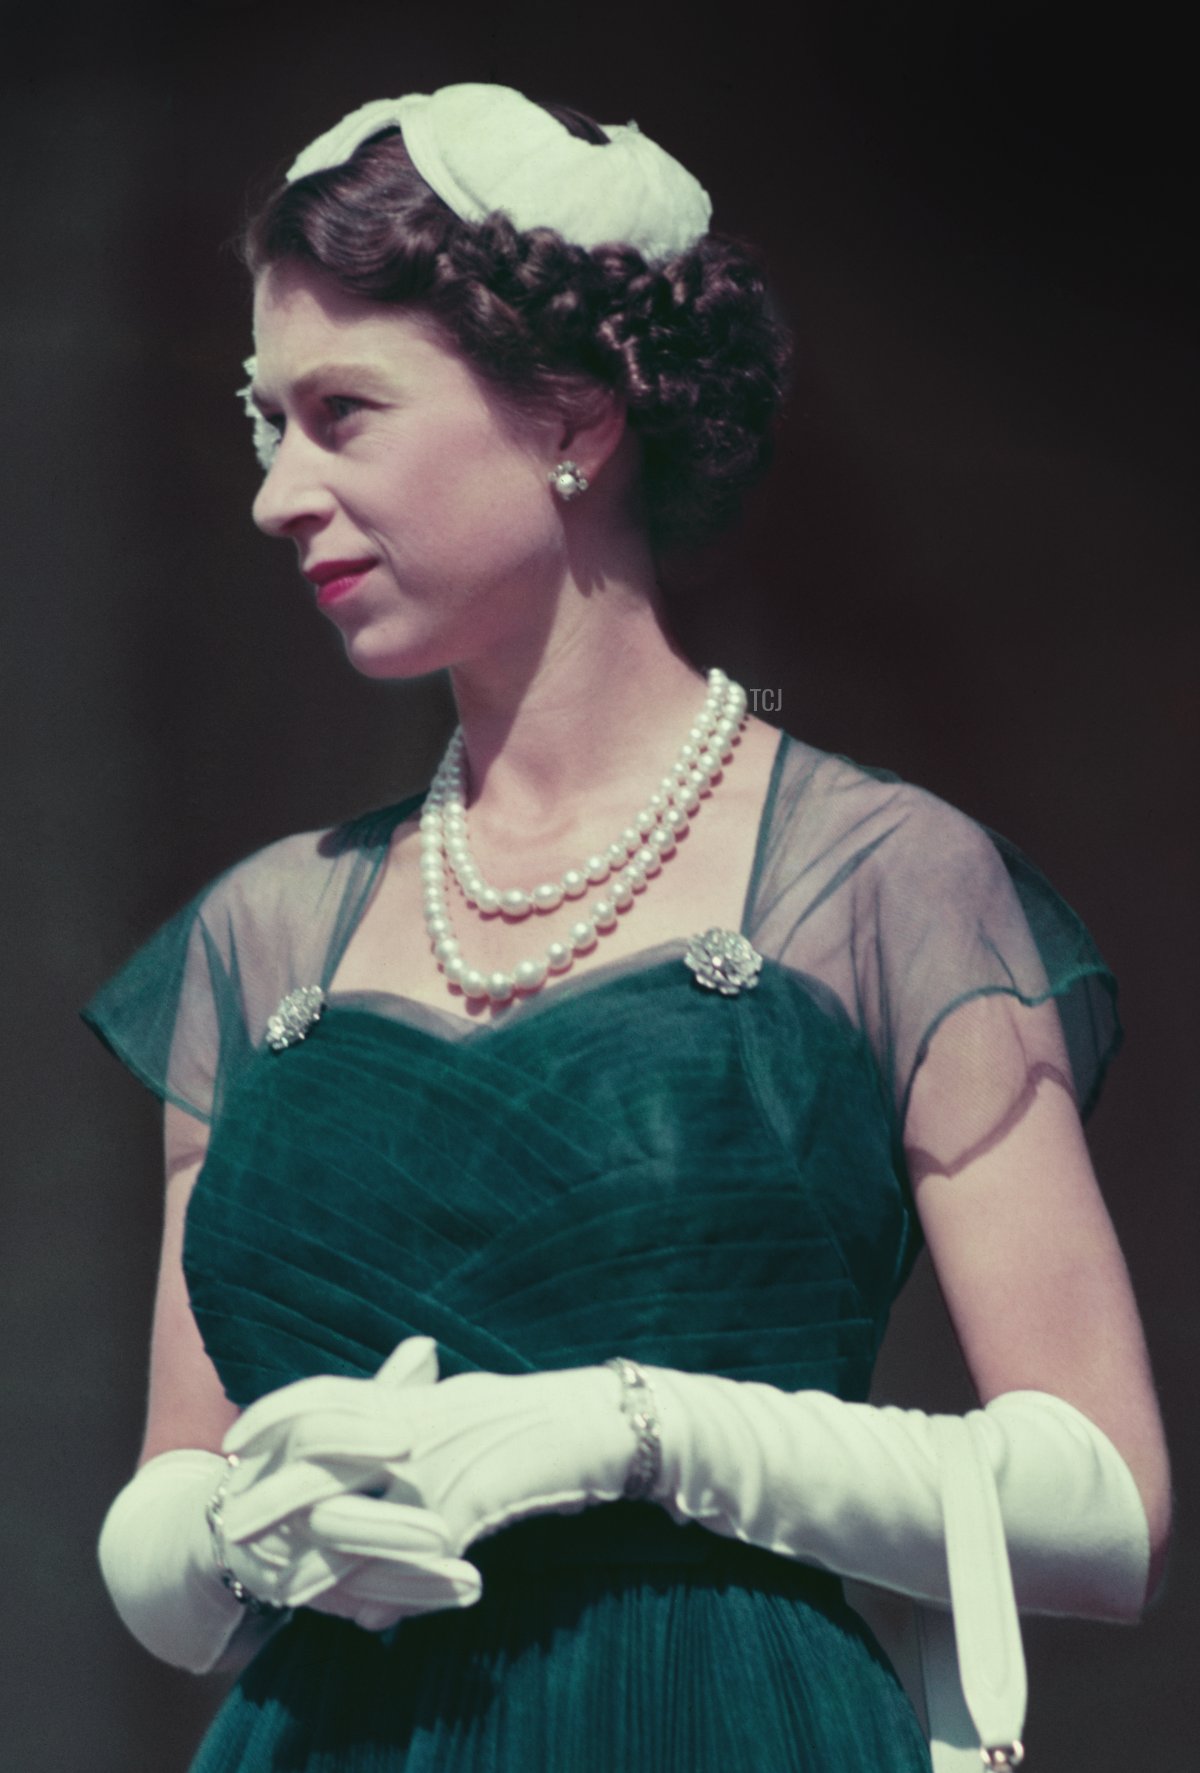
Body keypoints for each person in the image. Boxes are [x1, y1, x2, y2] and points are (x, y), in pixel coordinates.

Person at [85, 83, 1170, 1773]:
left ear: (571, 413)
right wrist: (238, 1530)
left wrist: (639, 1430)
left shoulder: (881, 879)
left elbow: (1104, 1507)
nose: (275, 492)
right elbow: (166, 1520)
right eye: (264, 423)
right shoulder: (263, 932)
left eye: (342, 413)